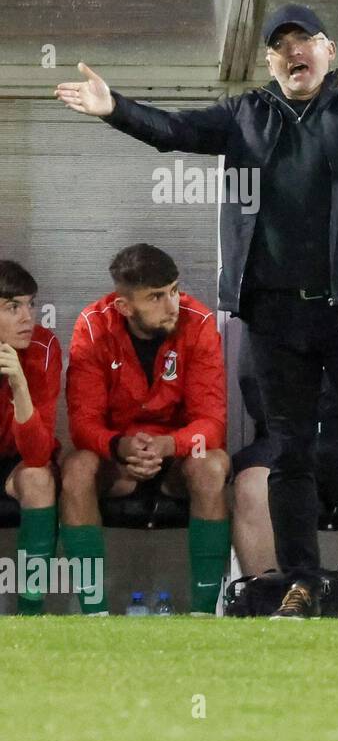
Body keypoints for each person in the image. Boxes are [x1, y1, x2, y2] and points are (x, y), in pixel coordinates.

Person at [56, 3, 338, 619]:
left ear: (329, 52)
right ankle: (301, 581)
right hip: (275, 314)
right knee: (289, 450)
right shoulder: (245, 115)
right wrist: (114, 109)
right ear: (270, 61)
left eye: (306, 40)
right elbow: (174, 130)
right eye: (282, 44)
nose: (295, 51)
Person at [62, 244, 229, 615]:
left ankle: (204, 611)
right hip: (118, 460)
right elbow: (82, 423)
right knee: (76, 469)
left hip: (178, 460)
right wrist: (120, 446)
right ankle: (95, 613)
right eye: (156, 297)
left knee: (212, 464)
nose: (171, 304)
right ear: (124, 306)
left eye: (173, 290)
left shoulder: (198, 322)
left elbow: (212, 423)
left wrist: (168, 445)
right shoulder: (93, 325)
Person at [231, 315, 338, 617]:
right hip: (282, 439)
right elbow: (256, 395)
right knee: (252, 487)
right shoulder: (266, 319)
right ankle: (272, 605)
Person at [0, 261, 61, 615]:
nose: (28, 317)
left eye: (31, 304)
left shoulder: (44, 347)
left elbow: (38, 454)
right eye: (13, 307)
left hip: (18, 460)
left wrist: (19, 383)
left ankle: (30, 614)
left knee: (39, 478)